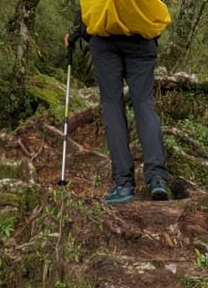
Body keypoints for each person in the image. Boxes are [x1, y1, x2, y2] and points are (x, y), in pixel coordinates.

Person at [65, 13, 171, 204]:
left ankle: (124, 185)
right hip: (141, 37)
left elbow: (85, 9)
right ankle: (157, 179)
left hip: (104, 40)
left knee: (112, 106)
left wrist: (74, 34)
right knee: (144, 104)